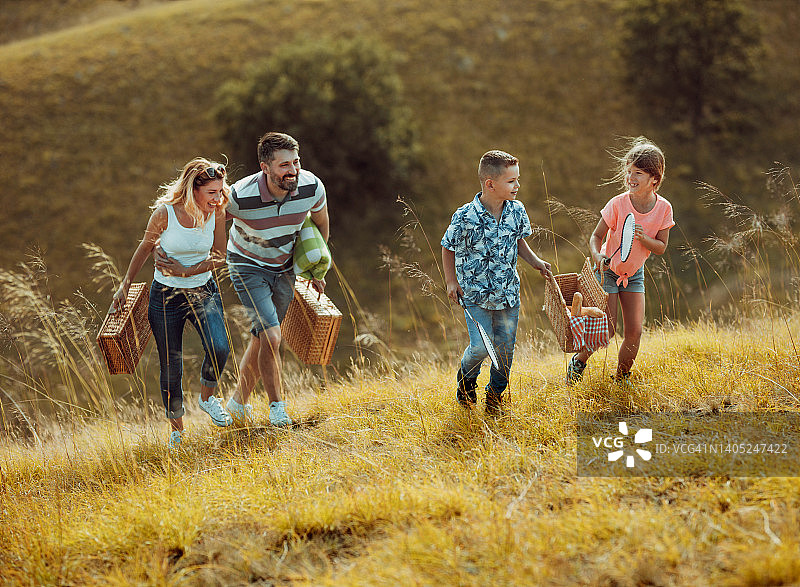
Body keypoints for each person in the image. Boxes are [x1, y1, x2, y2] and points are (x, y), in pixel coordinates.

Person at [111, 158, 233, 448]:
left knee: (219, 348)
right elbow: (145, 248)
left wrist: (187, 271)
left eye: (220, 192)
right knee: (171, 366)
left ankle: (207, 398)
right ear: (194, 190)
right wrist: (124, 285)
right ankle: (177, 430)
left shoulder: (216, 212)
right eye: (211, 193)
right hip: (166, 296)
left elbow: (219, 255)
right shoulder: (165, 214)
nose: (217, 199)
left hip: (203, 289)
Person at [224, 132, 329, 427]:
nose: (293, 170)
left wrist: (315, 270)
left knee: (263, 338)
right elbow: (210, 217)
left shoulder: (311, 187)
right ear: (265, 168)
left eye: (295, 162)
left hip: (284, 268)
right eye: (284, 165)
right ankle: (277, 409)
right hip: (246, 265)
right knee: (272, 336)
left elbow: (320, 226)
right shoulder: (239, 196)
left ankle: (236, 404)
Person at [442, 150, 551, 415]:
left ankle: (495, 395)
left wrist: (535, 261)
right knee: (480, 347)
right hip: (474, 294)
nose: (518, 186)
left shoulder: (517, 210)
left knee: (504, 350)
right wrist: (451, 282)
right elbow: (448, 246)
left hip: (508, 293)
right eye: (511, 181)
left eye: (517, 179)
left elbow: (519, 241)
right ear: (490, 184)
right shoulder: (464, 216)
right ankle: (466, 382)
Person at [566, 137, 675, 388]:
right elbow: (596, 237)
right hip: (608, 272)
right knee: (608, 329)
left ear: (654, 180)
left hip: (634, 274)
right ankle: (579, 361)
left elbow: (661, 247)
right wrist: (597, 256)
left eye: (638, 173)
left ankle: (622, 378)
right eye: (629, 172)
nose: (631, 178)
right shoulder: (618, 203)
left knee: (635, 331)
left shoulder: (664, 209)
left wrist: (644, 238)